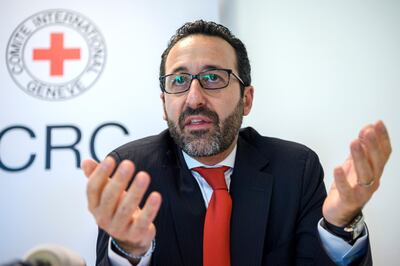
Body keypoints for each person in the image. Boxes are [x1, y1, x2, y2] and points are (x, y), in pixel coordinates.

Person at [81, 20, 392, 266]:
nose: (194, 98)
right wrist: (131, 252)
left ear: (246, 99)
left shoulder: (295, 170)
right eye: (178, 81)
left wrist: (340, 225)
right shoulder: (131, 173)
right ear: (164, 105)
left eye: (213, 77)